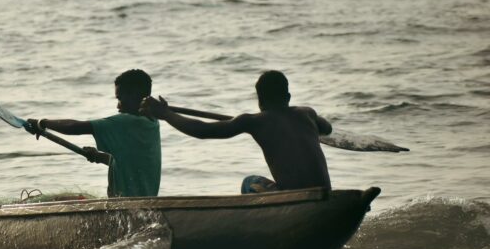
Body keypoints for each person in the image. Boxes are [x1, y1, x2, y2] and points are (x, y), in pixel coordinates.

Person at [140, 70, 332, 193]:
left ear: (260, 100)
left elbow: (203, 130)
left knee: (249, 182)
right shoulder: (307, 113)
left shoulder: (254, 121)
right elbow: (327, 128)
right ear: (288, 97)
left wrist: (166, 114)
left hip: (296, 197)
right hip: (325, 191)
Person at [26, 69, 161, 197]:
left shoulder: (125, 122)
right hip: (146, 205)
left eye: (120, 99)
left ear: (135, 95)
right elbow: (131, 163)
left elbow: (74, 127)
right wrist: (98, 156)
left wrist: (42, 123)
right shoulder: (152, 122)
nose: (118, 106)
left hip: (124, 208)